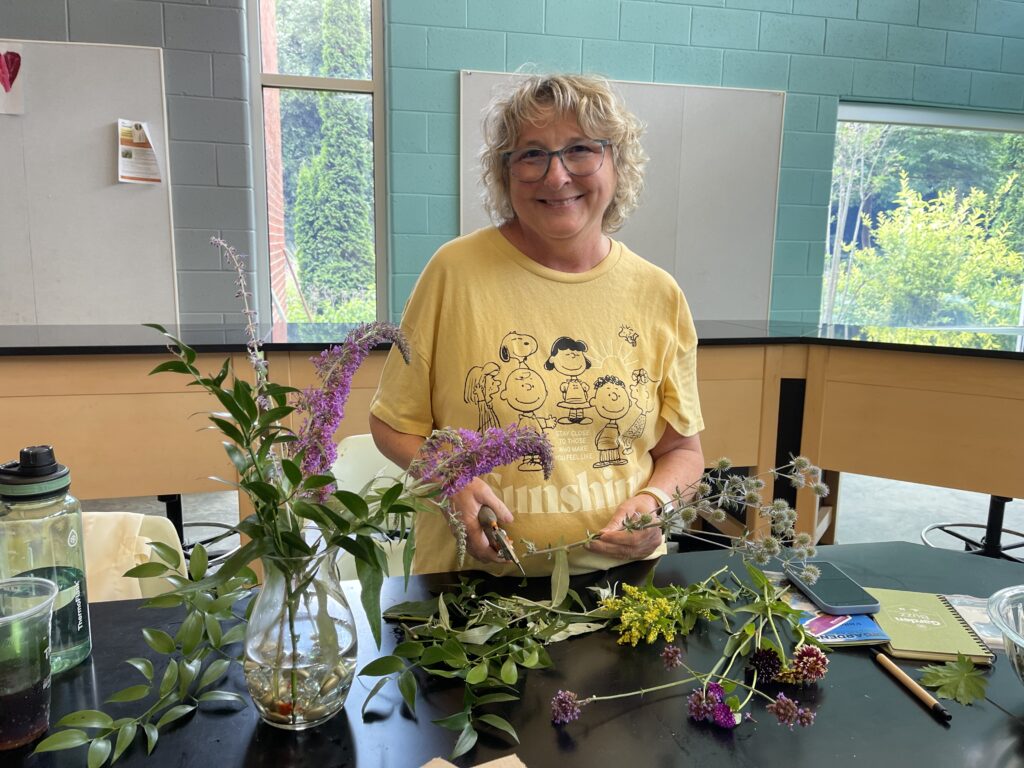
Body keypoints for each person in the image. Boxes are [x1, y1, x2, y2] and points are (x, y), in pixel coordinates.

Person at [370, 73, 704, 576]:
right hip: (470, 588)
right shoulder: (454, 273)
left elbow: (681, 450)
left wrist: (657, 503)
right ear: (505, 173)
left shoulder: (658, 294)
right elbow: (392, 424)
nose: (557, 176)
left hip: (619, 591)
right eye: (531, 155)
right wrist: (451, 479)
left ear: (617, 163)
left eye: (581, 150)